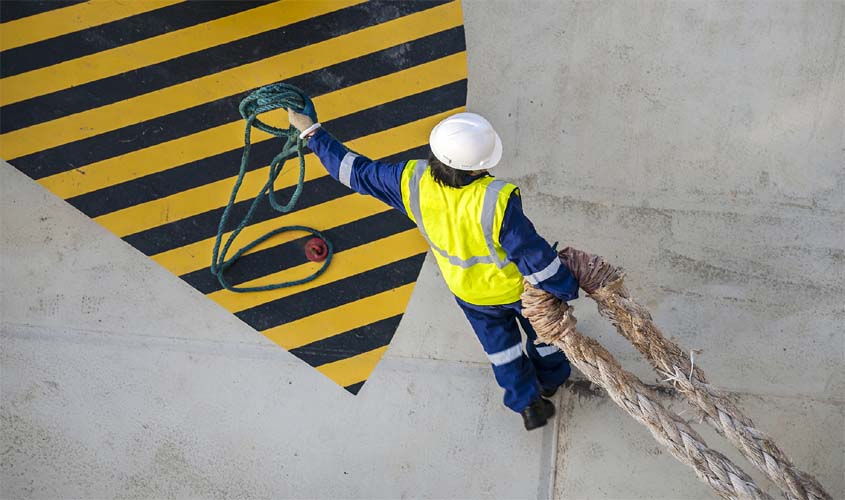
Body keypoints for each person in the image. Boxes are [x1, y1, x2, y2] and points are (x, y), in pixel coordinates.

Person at [288, 108, 579, 431]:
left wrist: (312, 133)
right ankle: (551, 380)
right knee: (546, 333)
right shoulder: (496, 200)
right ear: (481, 164)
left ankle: (527, 405)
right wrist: (565, 286)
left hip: (469, 294)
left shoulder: (411, 180)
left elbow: (355, 172)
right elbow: (532, 255)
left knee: (501, 349)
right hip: (518, 292)